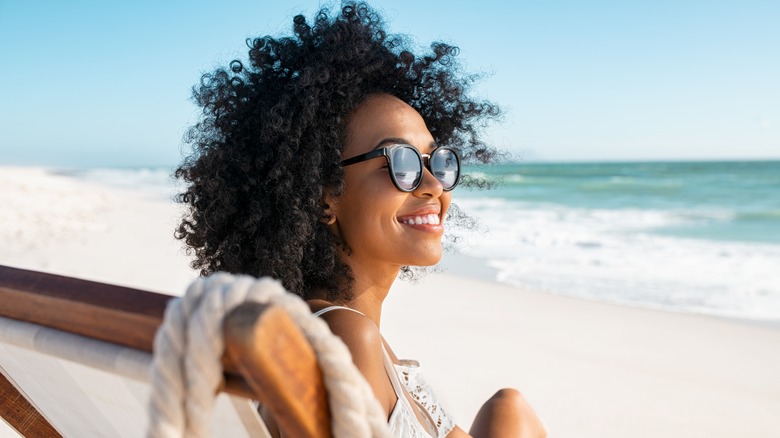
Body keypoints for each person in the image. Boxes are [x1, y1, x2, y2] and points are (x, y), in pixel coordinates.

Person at [174, 2, 546, 437]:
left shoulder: (338, 329)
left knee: (509, 408)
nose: (433, 184)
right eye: (400, 162)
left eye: (436, 161)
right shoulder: (345, 337)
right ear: (323, 197)